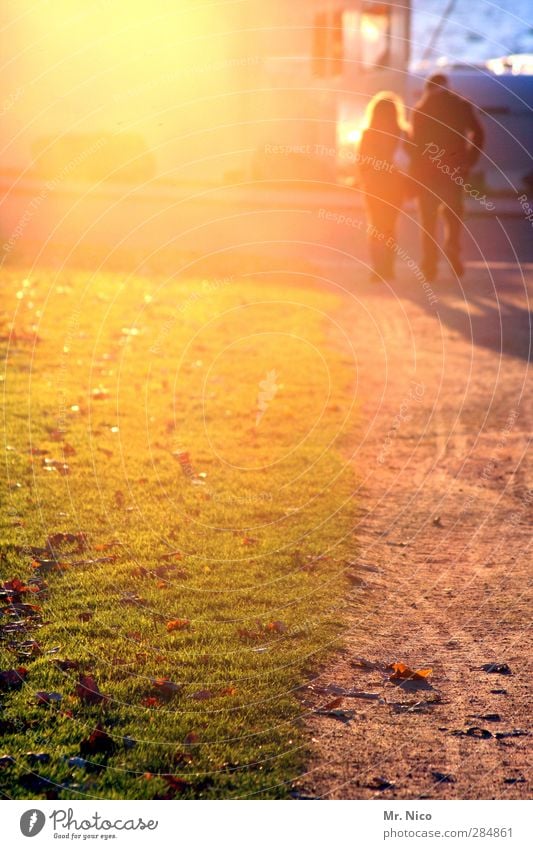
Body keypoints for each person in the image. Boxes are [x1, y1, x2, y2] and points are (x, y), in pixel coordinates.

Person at [410, 73, 484, 280]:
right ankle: (452, 246)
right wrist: (469, 160)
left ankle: (429, 264)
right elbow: (479, 133)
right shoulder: (461, 107)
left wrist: (414, 176)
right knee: (453, 215)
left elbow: (415, 148)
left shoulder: (421, 111)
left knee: (428, 220)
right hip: (454, 172)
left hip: (427, 174)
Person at [358, 92, 409, 281]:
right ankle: (389, 268)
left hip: (373, 186)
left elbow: (361, 161)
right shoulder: (402, 133)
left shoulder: (368, 134)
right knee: (390, 227)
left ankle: (377, 268)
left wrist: (366, 178)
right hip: (395, 186)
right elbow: (410, 160)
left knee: (376, 226)